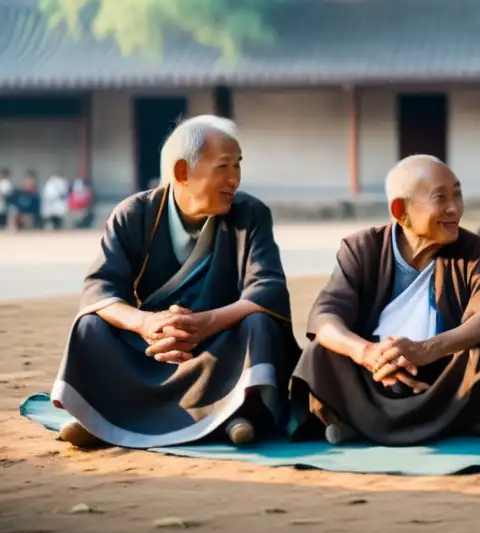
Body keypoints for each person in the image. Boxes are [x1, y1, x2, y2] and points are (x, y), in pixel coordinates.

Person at [51, 115, 300, 449]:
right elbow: (101, 288)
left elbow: (266, 288)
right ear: (183, 172)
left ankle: (241, 413)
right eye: (223, 167)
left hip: (220, 344)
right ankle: (99, 416)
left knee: (260, 322)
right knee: (90, 326)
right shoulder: (134, 213)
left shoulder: (251, 214)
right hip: (156, 346)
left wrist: (206, 323)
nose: (235, 180)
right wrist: (146, 323)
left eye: (237, 166)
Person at [290, 154, 480, 446]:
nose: (454, 208)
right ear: (400, 210)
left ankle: (361, 421)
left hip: (442, 373)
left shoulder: (471, 248)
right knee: (321, 351)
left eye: (457, 195)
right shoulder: (361, 248)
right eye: (441, 198)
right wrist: (367, 353)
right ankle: (463, 418)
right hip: (376, 374)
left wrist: (427, 350)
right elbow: (325, 316)